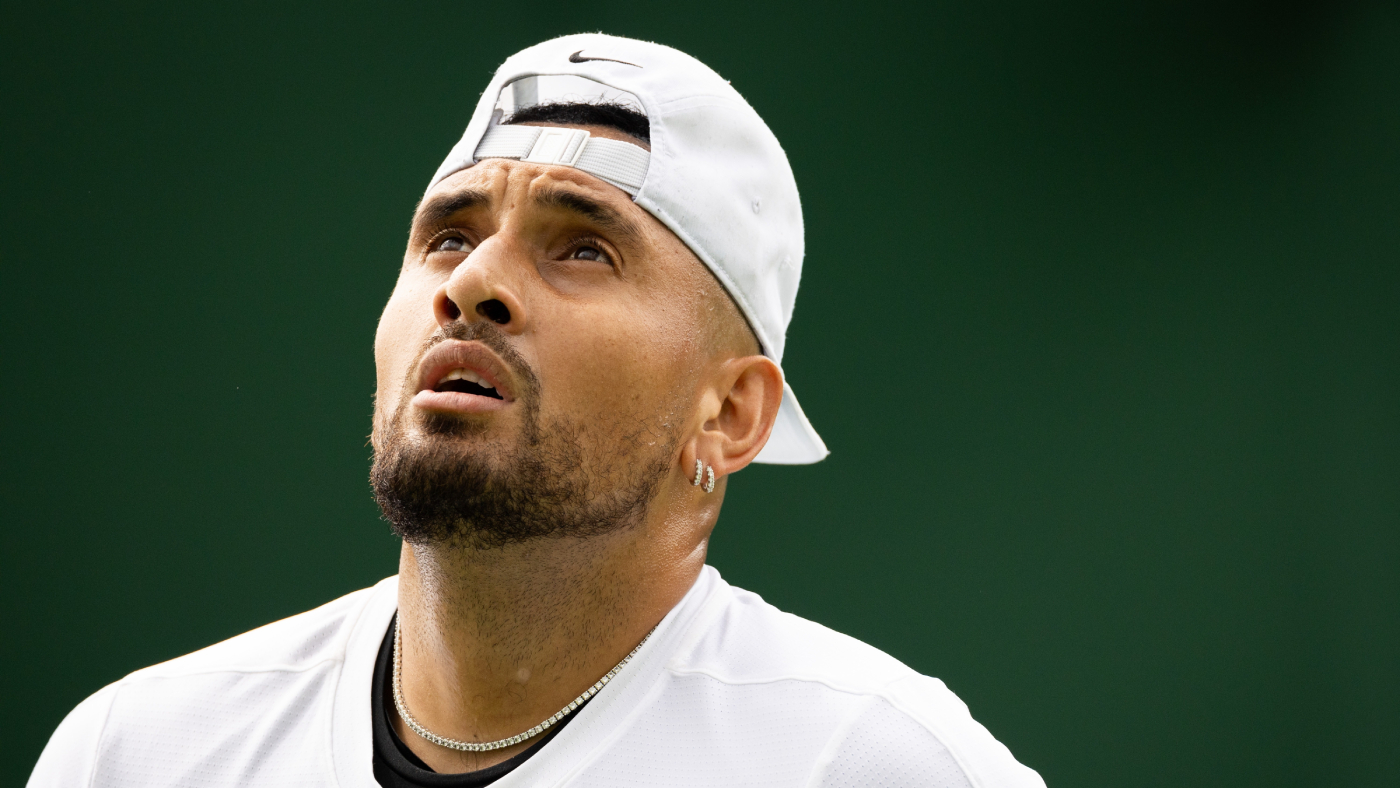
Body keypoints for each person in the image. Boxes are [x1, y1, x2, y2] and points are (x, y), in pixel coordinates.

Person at [28, 33, 1045, 788]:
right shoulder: (135, 755)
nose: (471, 283)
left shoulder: (870, 763)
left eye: (583, 248)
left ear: (730, 413)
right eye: (447, 235)